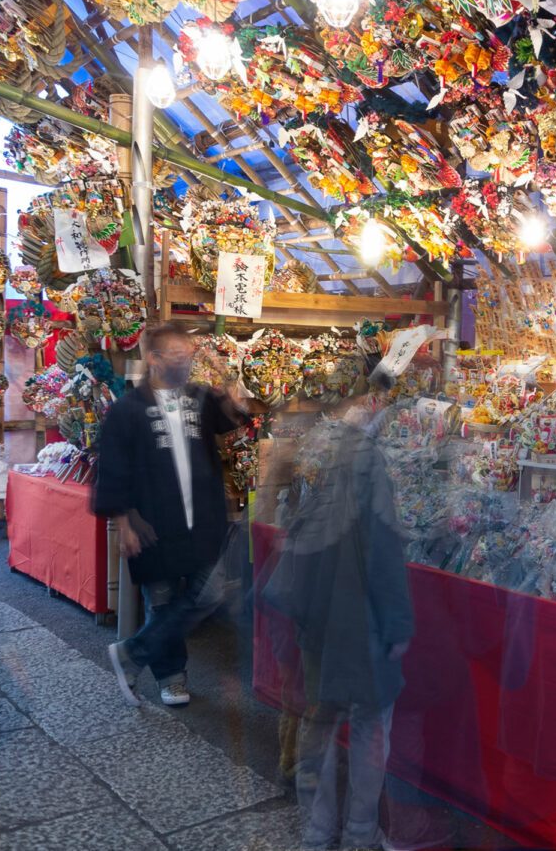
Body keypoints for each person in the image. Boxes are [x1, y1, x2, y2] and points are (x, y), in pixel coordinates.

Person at [264, 392, 414, 850]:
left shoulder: (310, 452)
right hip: (360, 616)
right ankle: (359, 831)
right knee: (371, 723)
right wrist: (398, 624)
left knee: (320, 719)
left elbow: (290, 525)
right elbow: (385, 549)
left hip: (316, 613)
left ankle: (317, 829)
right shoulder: (368, 461)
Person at [94, 321, 258, 707]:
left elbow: (235, 420)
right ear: (153, 359)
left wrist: (227, 381)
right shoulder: (128, 409)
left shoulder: (200, 397)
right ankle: (172, 678)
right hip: (153, 522)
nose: (185, 362)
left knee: (211, 592)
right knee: (163, 602)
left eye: (188, 355)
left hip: (202, 519)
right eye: (176, 355)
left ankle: (132, 653)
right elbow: (113, 469)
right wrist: (123, 524)